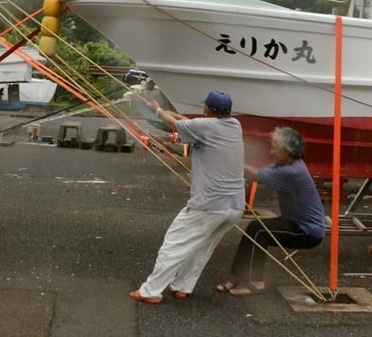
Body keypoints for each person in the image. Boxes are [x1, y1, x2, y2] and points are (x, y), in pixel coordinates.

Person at [129, 89, 246, 304]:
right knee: (202, 248)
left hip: (209, 206)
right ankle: (183, 286)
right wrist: (175, 116)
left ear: (207, 109)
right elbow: (188, 122)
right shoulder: (234, 126)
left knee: (174, 244)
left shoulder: (204, 127)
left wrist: (157, 109)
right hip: (235, 207)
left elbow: (173, 123)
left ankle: (150, 291)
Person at [217, 126, 326, 296]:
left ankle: (256, 282)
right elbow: (257, 174)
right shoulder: (285, 163)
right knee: (255, 228)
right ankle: (240, 276)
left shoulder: (293, 171)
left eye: (275, 147)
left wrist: (230, 159)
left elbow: (255, 174)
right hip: (294, 223)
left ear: (287, 151)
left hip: (307, 232)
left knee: (259, 230)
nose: (271, 151)